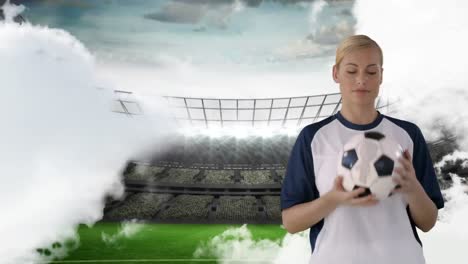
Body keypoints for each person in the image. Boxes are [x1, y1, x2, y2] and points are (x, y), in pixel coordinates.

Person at [280, 34, 444, 264]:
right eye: (351, 71)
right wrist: (334, 198)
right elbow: (291, 222)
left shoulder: (408, 135)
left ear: (381, 76)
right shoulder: (314, 137)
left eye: (371, 71)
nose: (361, 80)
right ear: (336, 74)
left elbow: (428, 223)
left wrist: (413, 187)